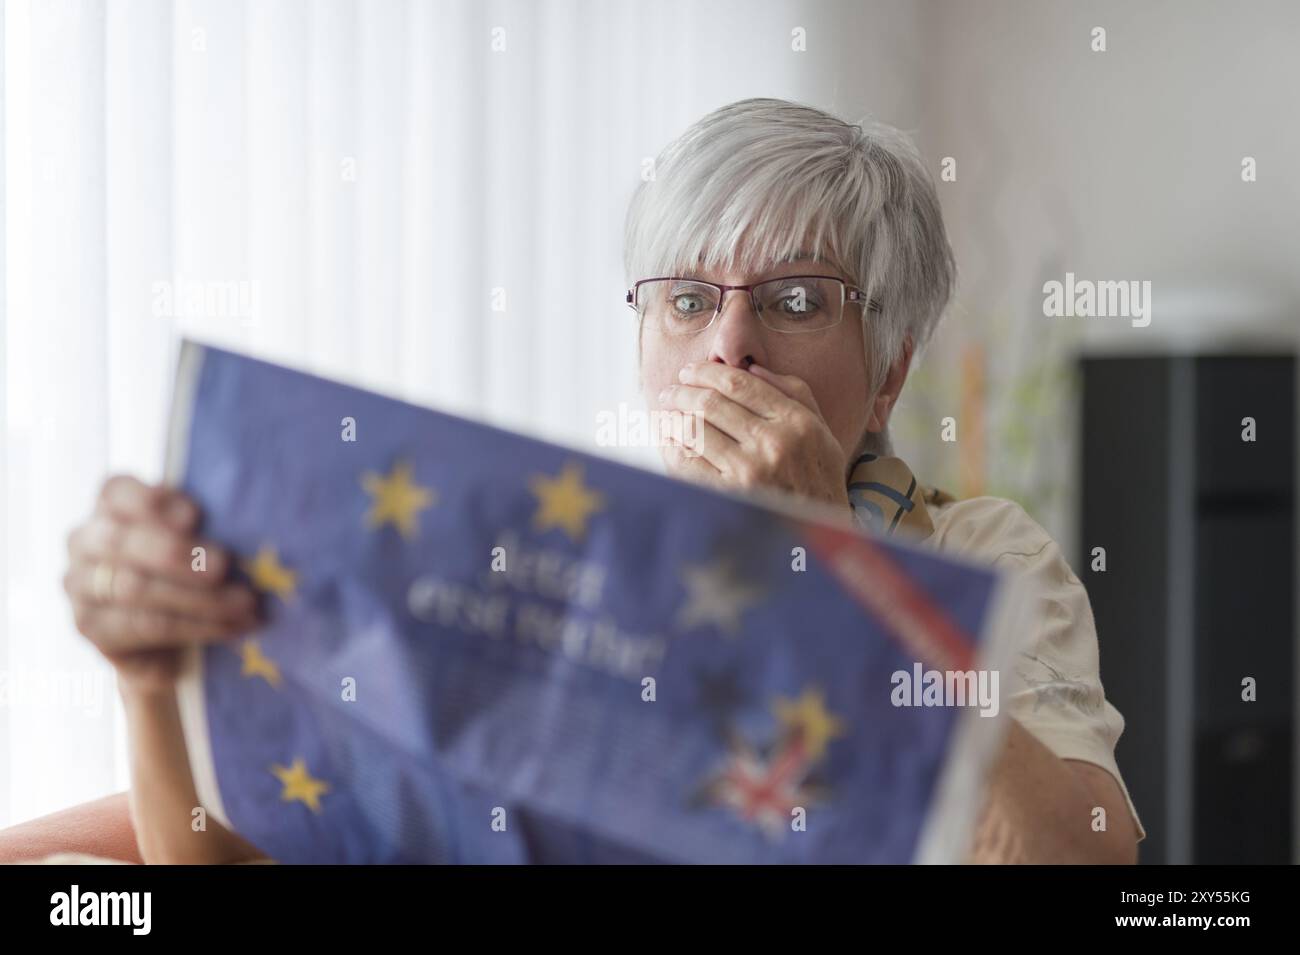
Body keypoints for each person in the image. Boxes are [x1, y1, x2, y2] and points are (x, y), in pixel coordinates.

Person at [64, 97, 1142, 863]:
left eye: (798, 300)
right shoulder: (549, 554)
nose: (728, 344)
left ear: (891, 369)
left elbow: (1083, 862)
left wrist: (831, 562)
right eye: (685, 298)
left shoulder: (977, 558)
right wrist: (152, 678)